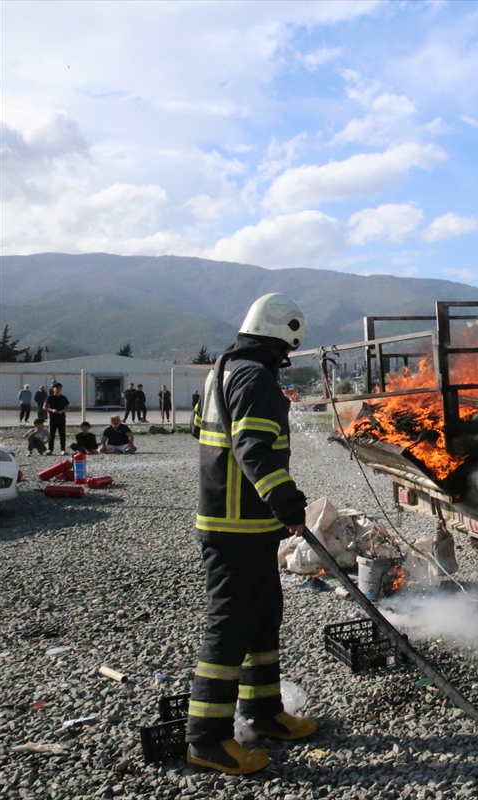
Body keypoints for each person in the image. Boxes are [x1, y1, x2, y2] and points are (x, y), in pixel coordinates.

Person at [185, 293, 315, 775]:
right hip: (235, 527)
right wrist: (288, 503)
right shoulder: (256, 378)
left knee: (262, 618)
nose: (287, 358)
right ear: (285, 335)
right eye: (289, 349)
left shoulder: (220, 370)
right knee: (230, 627)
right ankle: (206, 739)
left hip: (244, 525)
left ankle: (264, 712)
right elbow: (254, 449)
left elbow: (202, 432)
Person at [44, 382, 70, 454]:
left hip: (61, 417)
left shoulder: (63, 398)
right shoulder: (50, 397)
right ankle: (50, 449)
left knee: (62, 433)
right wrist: (52, 410)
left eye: (60, 388)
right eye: (57, 388)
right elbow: (44, 406)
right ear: (53, 389)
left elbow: (67, 408)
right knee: (52, 433)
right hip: (53, 417)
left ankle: (63, 449)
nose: (58, 390)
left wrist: (62, 411)